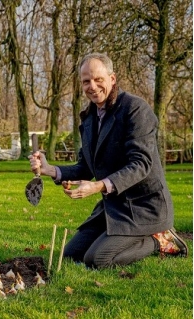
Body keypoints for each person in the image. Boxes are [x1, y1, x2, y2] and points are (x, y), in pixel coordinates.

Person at [29, 53, 188, 269]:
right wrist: (50, 170)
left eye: (98, 79)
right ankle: (115, 237)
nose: (92, 87)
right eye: (86, 81)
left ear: (112, 79)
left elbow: (141, 164)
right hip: (113, 207)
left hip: (144, 206)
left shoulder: (135, 109)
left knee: (98, 260)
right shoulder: (89, 118)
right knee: (71, 255)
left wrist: (98, 186)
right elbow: (85, 167)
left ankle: (159, 240)